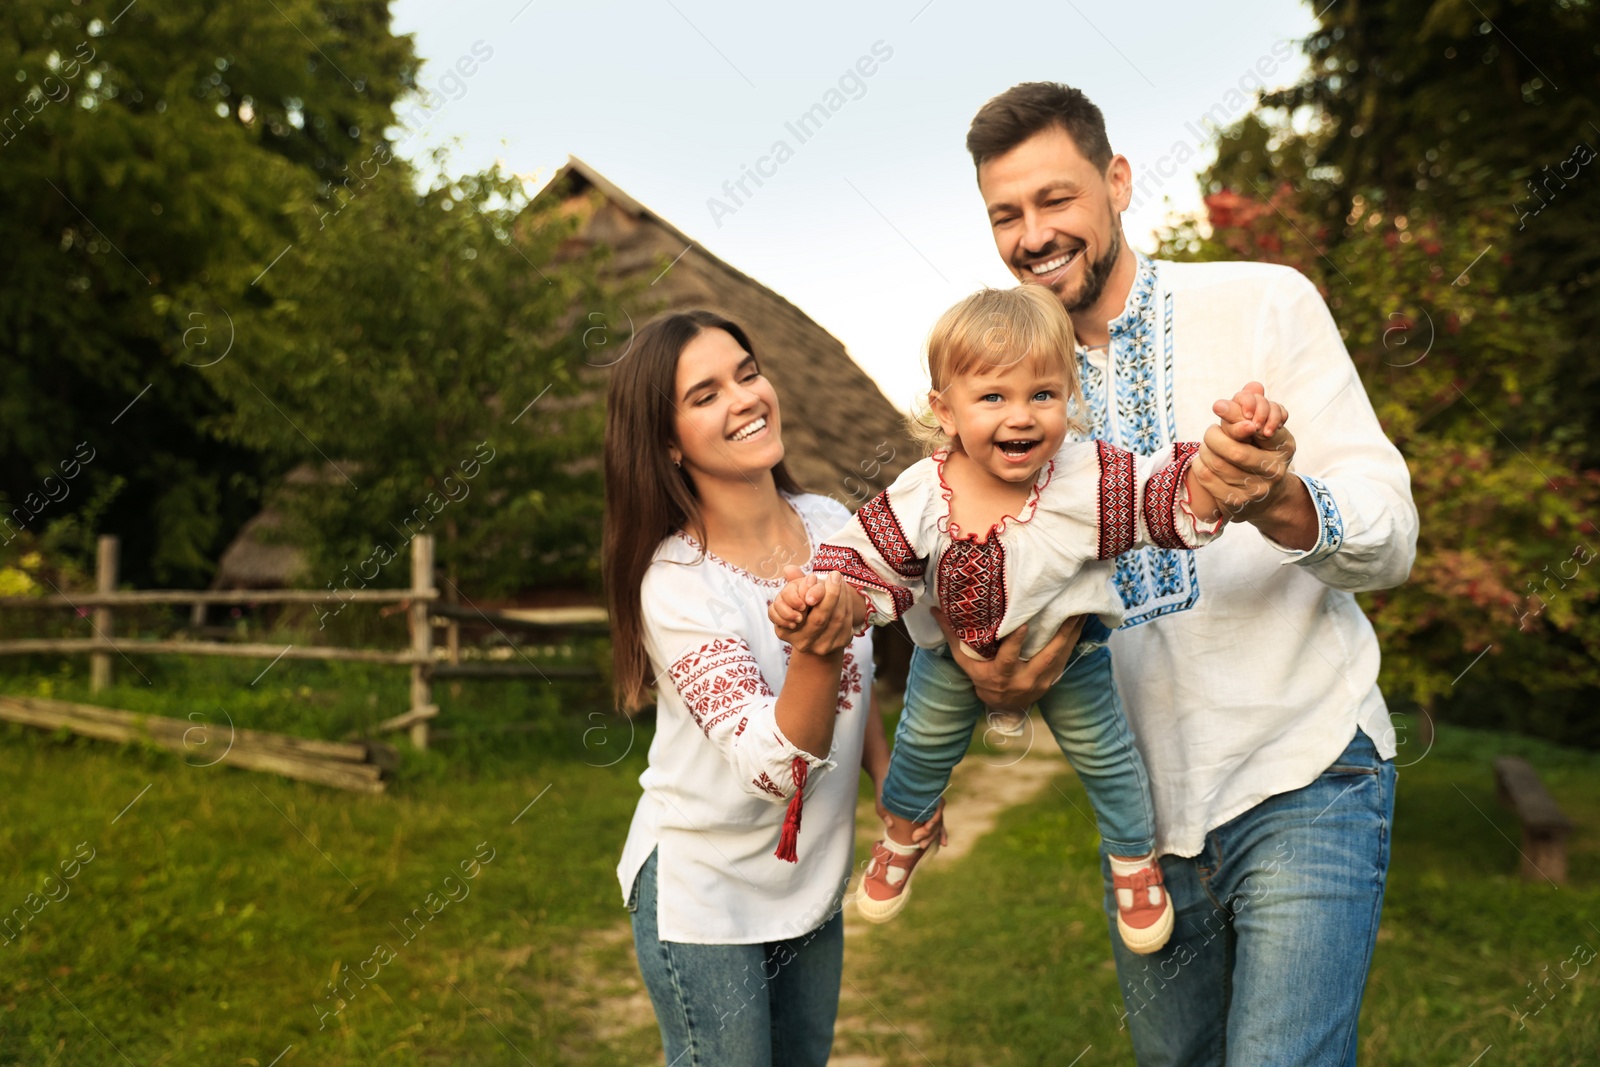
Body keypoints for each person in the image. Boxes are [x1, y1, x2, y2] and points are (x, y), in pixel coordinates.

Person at [951, 82, 1418, 1065]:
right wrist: (992, 670)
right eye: (1005, 213)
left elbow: (1392, 535)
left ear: (1117, 182)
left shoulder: (1261, 302)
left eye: (1054, 199)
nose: (1032, 234)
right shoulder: (1005, 400)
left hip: (1305, 768)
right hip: (1145, 827)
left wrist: (1278, 496)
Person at [771, 285, 1287, 957]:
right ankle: (904, 831)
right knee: (922, 751)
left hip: (1070, 655)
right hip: (951, 658)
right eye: (993, 397)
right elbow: (866, 558)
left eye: (1042, 394)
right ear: (945, 410)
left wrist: (1220, 464)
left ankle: (1133, 860)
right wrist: (820, 597)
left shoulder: (1086, 477)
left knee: (1106, 756)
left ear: (1069, 399)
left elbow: (1159, 494)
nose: (1021, 415)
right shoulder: (925, 491)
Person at [604, 308, 927, 1066]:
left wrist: (891, 777)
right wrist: (814, 646)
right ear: (666, 442)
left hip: (809, 875)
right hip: (704, 888)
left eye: (748, 373)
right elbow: (774, 769)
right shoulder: (677, 584)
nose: (745, 397)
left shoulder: (830, 522)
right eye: (705, 393)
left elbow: (860, 675)